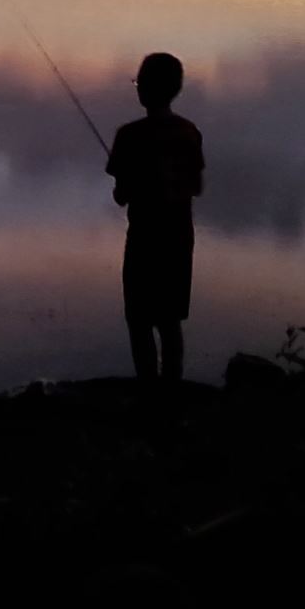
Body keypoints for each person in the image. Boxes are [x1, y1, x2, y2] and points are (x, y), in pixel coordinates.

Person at [105, 52, 204, 385]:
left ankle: (148, 388)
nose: (137, 88)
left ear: (145, 88)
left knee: (139, 319)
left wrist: (130, 183)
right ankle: (172, 388)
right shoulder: (190, 132)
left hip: (144, 241)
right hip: (179, 240)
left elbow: (121, 196)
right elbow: (196, 186)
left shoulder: (129, 136)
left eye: (138, 82)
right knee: (170, 319)